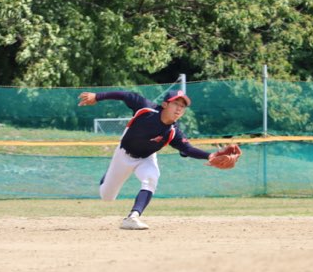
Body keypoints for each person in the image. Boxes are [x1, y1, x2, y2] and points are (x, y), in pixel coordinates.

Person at [78, 89, 227, 230]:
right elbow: (124, 95)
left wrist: (211, 156)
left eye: (182, 106)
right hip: (123, 154)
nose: (179, 108)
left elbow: (187, 149)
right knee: (107, 197)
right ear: (165, 104)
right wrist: (97, 97)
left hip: (146, 157)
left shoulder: (173, 131)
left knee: (151, 177)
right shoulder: (146, 108)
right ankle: (107, 177)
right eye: (176, 103)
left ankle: (132, 217)